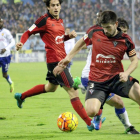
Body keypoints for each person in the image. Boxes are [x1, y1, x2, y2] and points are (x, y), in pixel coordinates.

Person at [53, 10, 140, 134]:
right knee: (91, 111)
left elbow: (135, 61)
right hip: (97, 80)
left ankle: (128, 127)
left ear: (116, 24)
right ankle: (97, 100)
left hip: (117, 78)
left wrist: (126, 73)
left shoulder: (126, 40)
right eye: (104, 28)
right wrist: (67, 59)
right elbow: (81, 42)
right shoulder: (94, 31)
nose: (105, 31)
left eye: (108, 28)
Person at [14, 0, 94, 131]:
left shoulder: (60, 21)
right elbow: (28, 32)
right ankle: (90, 123)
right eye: (53, 5)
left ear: (60, 6)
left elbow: (58, 39)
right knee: (73, 91)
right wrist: (21, 42)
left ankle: (21, 96)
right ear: (48, 7)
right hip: (55, 62)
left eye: (57, 5)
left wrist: (68, 36)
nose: (56, 7)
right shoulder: (43, 20)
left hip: (61, 59)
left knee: (50, 88)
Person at [0, 18, 15, 93]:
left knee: (4, 74)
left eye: (1, 22)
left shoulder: (6, 32)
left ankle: (11, 83)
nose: (0, 23)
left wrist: (6, 48)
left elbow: (13, 42)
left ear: (2, 23)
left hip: (5, 56)